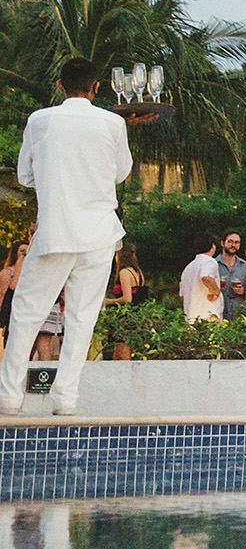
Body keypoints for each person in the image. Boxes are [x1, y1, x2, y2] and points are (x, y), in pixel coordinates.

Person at [0, 60, 138, 414]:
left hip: (56, 231)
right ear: (96, 87)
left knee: (27, 313)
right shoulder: (113, 123)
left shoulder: (40, 120)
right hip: (99, 234)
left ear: (60, 85)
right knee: (81, 317)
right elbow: (122, 173)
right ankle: (66, 399)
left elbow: (25, 176)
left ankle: (10, 397)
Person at [180, 234, 223, 323]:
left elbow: (181, 296)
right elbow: (205, 276)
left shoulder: (189, 267)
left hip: (191, 319)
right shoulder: (209, 261)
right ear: (213, 246)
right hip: (208, 318)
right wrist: (216, 292)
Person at [215, 231, 246, 321]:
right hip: (218, 315)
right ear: (222, 243)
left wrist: (243, 291)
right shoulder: (213, 264)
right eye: (230, 241)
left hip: (239, 317)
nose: (233, 245)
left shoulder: (245, 266)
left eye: (236, 242)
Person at [104, 245, 146, 309]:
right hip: (138, 310)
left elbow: (127, 299)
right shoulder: (138, 271)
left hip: (126, 312)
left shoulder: (124, 272)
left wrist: (109, 301)